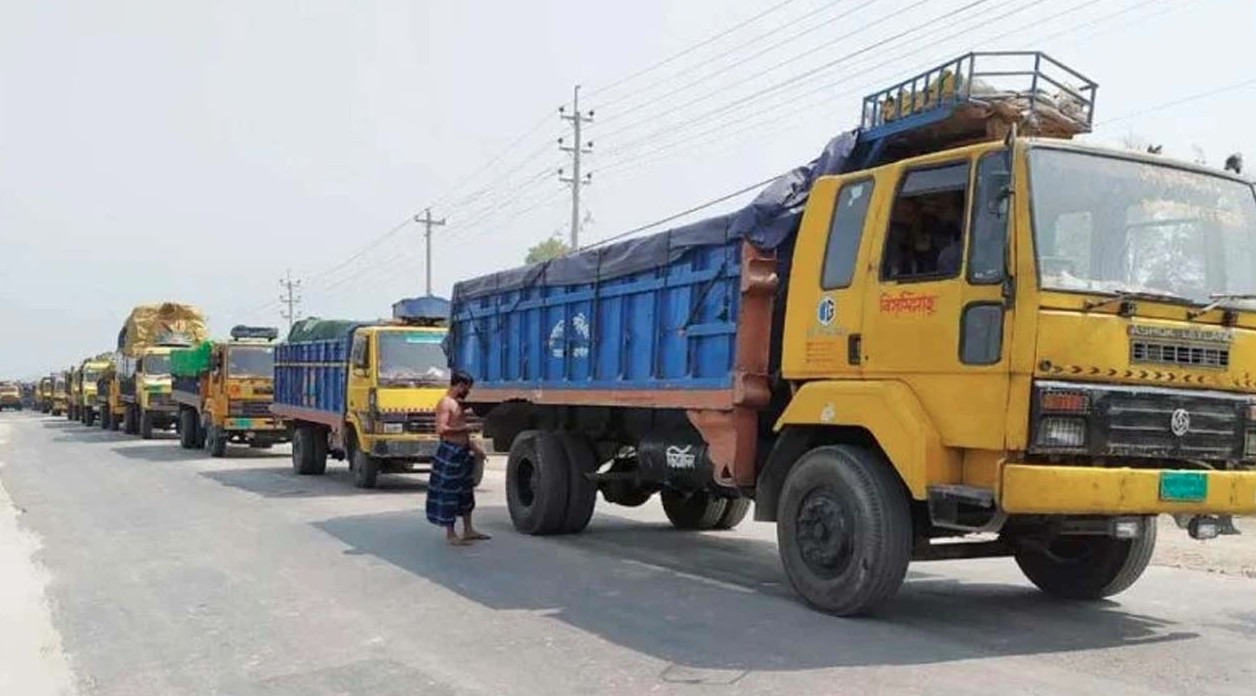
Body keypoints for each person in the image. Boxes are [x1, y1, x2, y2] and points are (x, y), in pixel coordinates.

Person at [426, 369, 489, 546]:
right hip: (450, 452)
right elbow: (441, 429)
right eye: (466, 388)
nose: (467, 391)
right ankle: (451, 534)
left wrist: (475, 447)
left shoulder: (456, 403)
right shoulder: (445, 404)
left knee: (465, 492)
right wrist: (466, 429)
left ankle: (468, 530)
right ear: (460, 385)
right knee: (449, 492)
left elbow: (461, 430)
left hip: (462, 452)